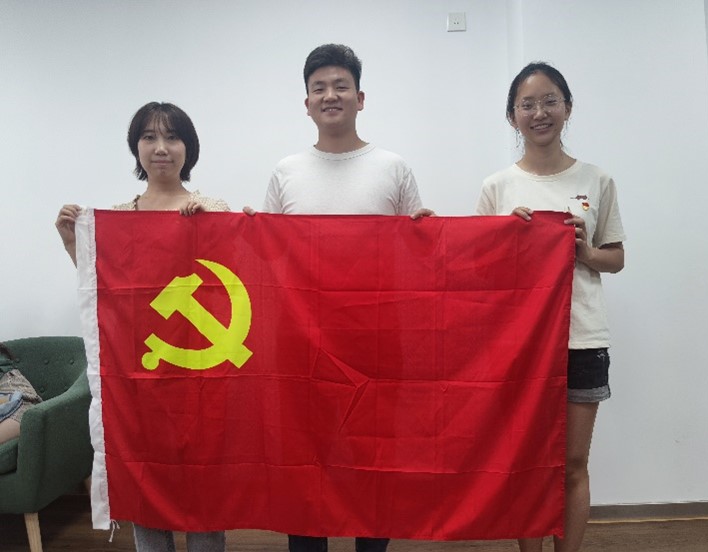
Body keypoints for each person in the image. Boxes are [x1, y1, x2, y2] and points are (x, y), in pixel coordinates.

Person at [248, 43, 432, 552]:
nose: (330, 95)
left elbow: (416, 255)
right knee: (306, 456)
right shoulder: (286, 171)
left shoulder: (393, 167)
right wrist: (249, 231)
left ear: (360, 98)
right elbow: (269, 261)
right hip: (303, 343)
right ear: (306, 103)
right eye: (319, 88)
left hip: (376, 339)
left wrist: (426, 231)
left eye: (340, 86)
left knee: (374, 457)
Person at [55, 101, 229, 552]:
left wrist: (213, 227)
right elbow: (103, 293)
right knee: (146, 479)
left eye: (172, 137)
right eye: (149, 137)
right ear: (136, 148)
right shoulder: (118, 217)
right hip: (140, 377)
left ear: (189, 147)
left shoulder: (211, 208)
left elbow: (234, 286)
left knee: (203, 486)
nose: (161, 148)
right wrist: (74, 243)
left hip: (200, 376)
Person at [476, 62, 625, 552]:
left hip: (582, 339)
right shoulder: (497, 187)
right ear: (512, 116)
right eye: (527, 104)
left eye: (549, 101)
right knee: (527, 462)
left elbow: (616, 258)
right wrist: (506, 240)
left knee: (573, 465)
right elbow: (479, 272)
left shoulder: (597, 180)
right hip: (521, 344)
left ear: (567, 108)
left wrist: (585, 252)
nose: (539, 112)